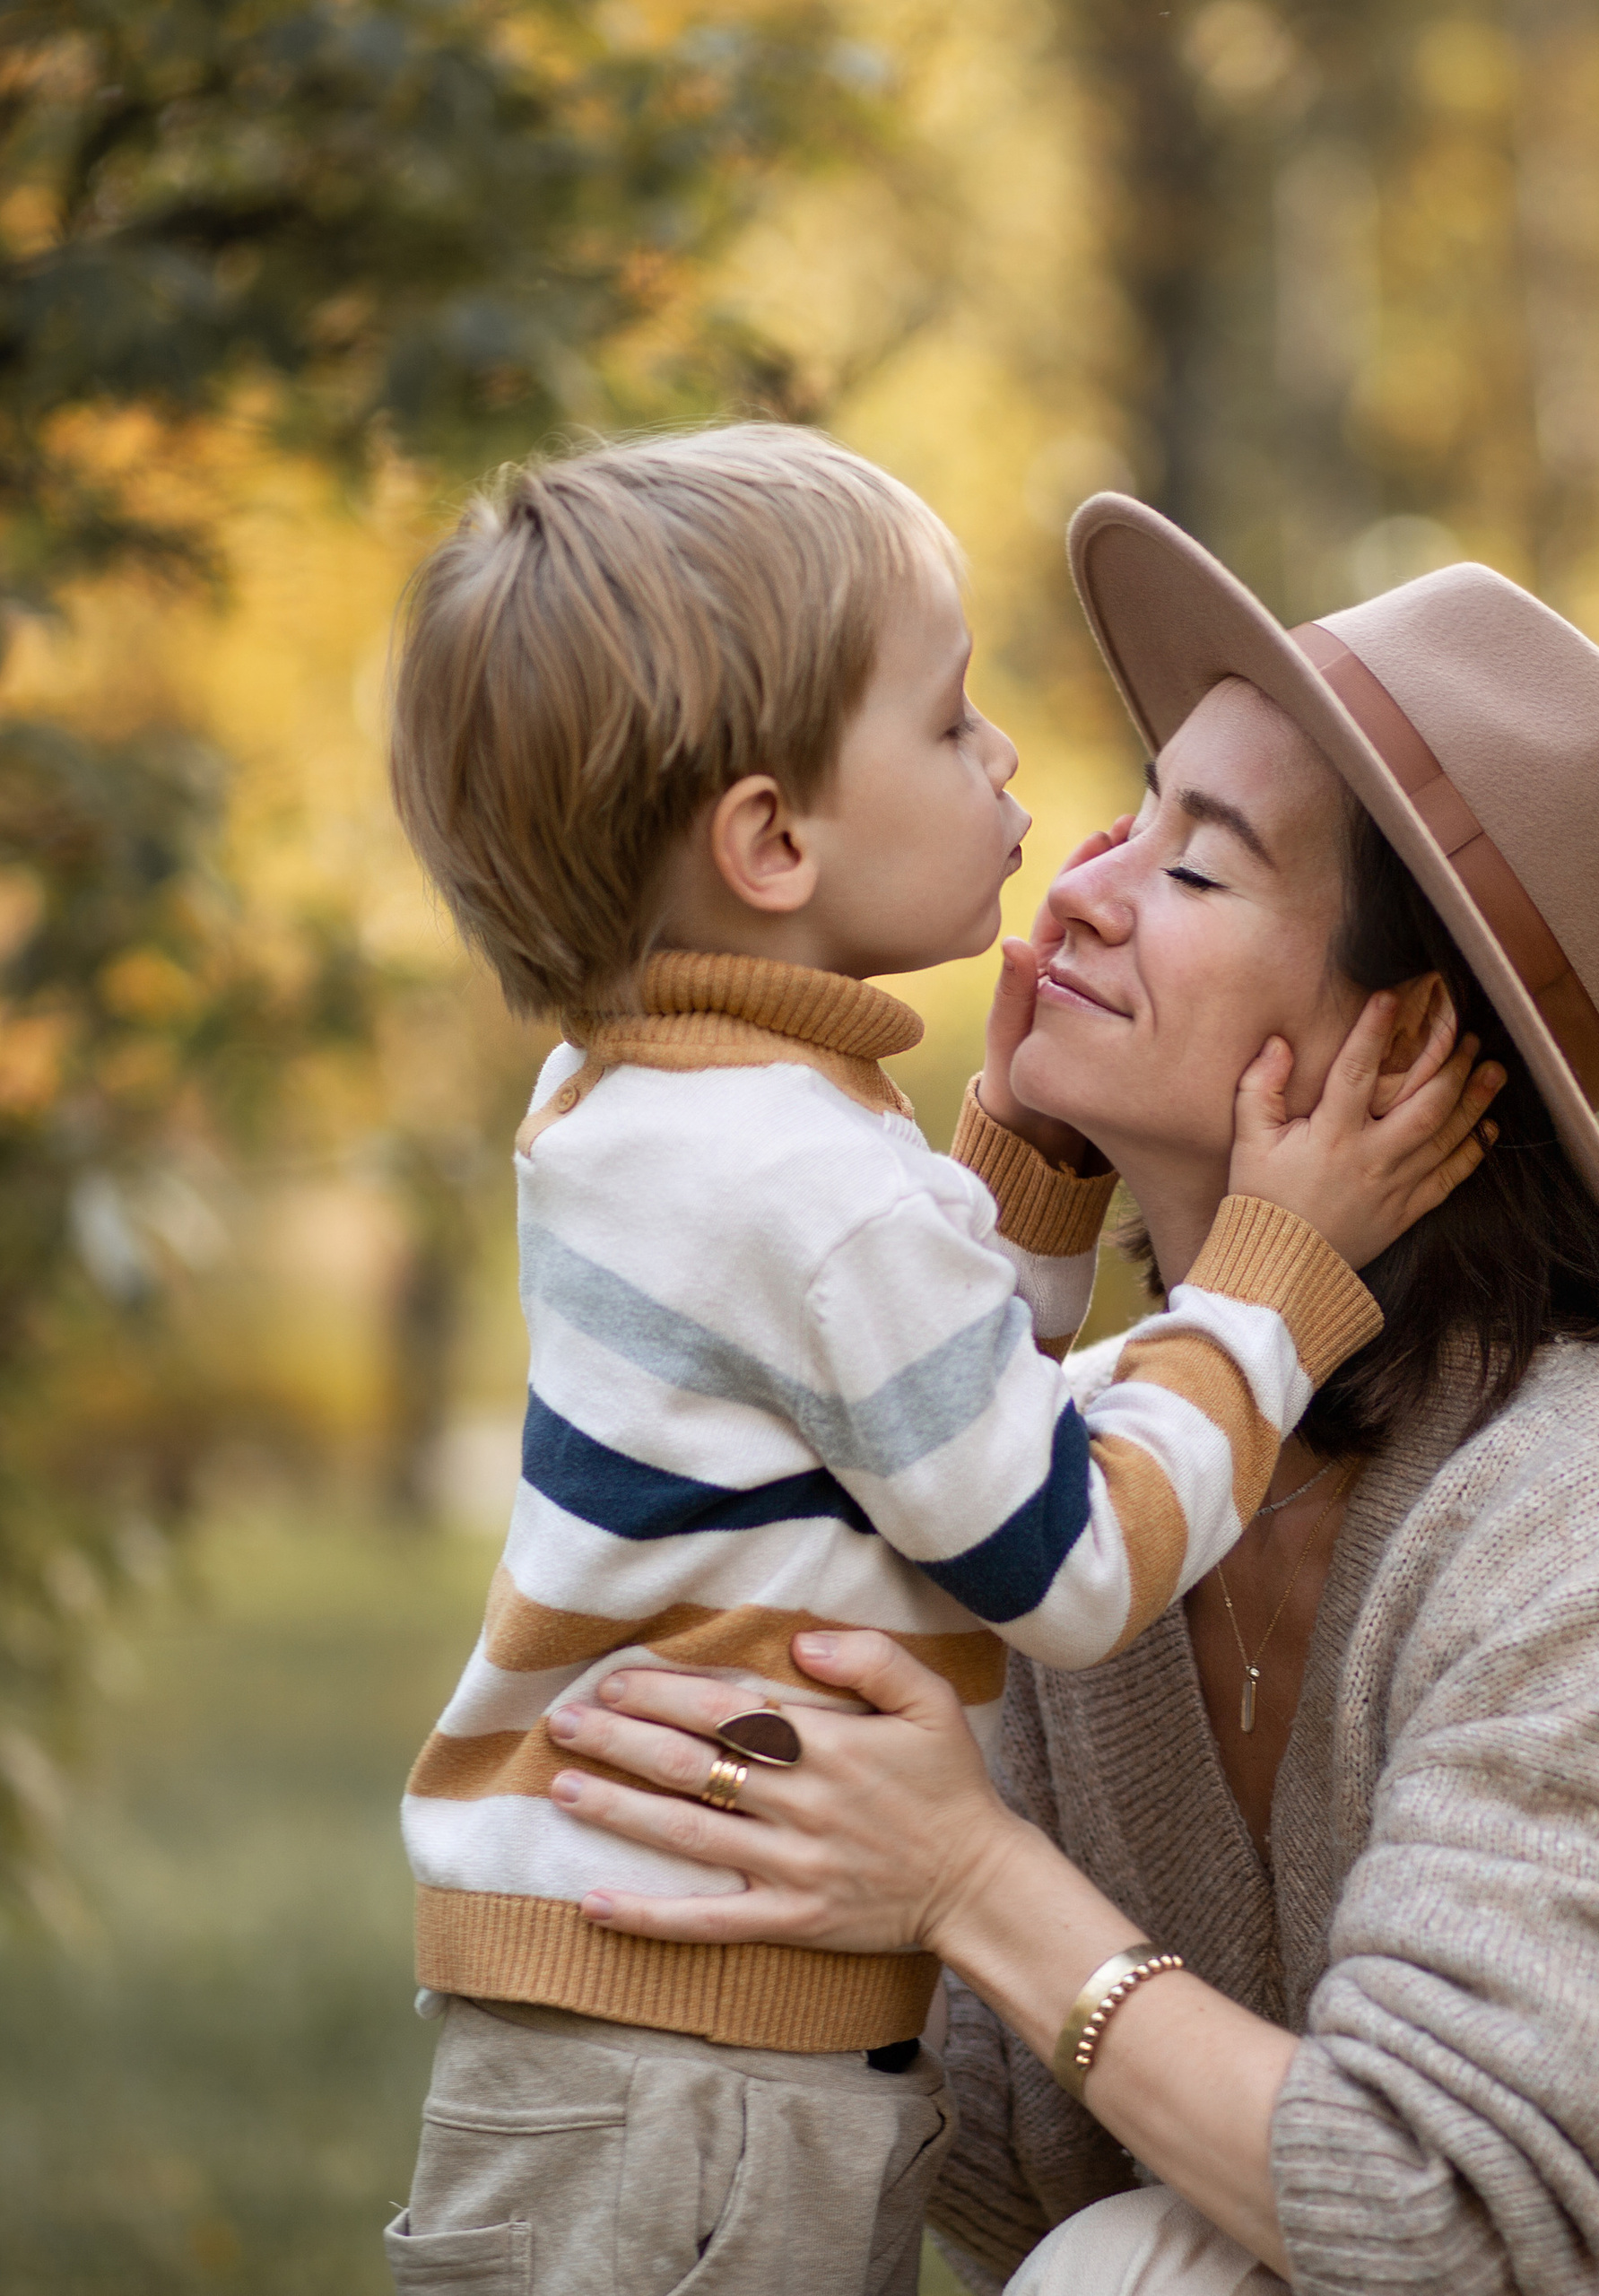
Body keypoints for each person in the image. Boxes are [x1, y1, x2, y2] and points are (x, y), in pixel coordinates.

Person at [541, 497, 1599, 2295]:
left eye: (1195, 868)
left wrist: (966, 1876)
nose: (1076, 884)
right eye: (1132, 815)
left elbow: (1444, 2224)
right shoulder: (1091, 1465)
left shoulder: (1596, 1502)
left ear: (1411, 1041)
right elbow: (957, 2125)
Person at [378, 432, 1499, 2296]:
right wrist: (1273, 1278)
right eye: (952, 720)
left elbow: (897, 1414)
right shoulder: (809, 1184)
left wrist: (1025, 1169)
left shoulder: (657, 1100)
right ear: (771, 841)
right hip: (702, 2062)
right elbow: (1055, 1555)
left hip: (620, 2031)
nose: (1011, 774)